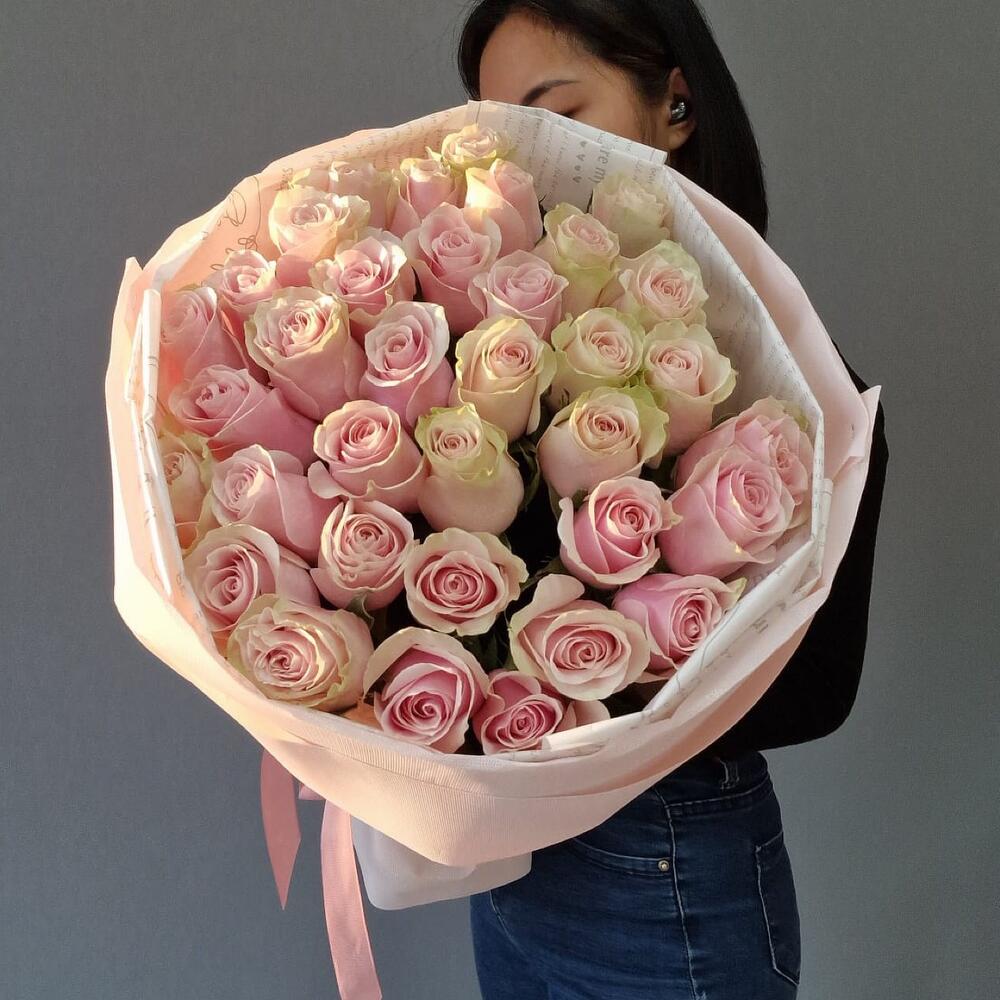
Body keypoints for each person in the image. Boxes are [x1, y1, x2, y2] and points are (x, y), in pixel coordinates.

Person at [456, 3, 891, 998]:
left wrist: (592, 678)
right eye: (495, 132)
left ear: (677, 105)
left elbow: (819, 690)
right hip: (522, 864)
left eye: (553, 115)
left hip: (663, 866)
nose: (520, 158)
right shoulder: (502, 346)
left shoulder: (781, 379)